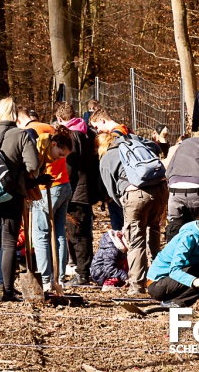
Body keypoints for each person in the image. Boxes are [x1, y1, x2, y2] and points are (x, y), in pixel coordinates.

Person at [0, 97, 40, 301]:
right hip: (11, 193)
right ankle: (6, 290)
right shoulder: (20, 135)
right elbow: (32, 166)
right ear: (15, 115)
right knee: (9, 242)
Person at [96, 132, 168, 295]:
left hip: (136, 195)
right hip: (161, 189)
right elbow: (157, 148)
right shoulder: (135, 143)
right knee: (153, 230)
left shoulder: (107, 157)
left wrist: (125, 201)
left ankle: (137, 286)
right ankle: (158, 277)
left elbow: (112, 192)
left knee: (136, 240)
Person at [54, 101, 101, 287]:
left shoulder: (71, 136)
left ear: (59, 119)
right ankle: (82, 271)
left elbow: (70, 166)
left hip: (76, 192)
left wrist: (64, 187)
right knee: (83, 232)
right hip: (87, 189)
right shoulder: (87, 131)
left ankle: (82, 273)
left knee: (77, 233)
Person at [30, 126, 73, 291]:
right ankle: (58, 277)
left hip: (52, 188)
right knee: (59, 232)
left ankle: (48, 279)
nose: (59, 159)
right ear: (54, 144)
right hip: (61, 186)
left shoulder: (43, 138)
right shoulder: (40, 141)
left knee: (41, 233)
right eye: (60, 155)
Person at [88, 108, 130, 231]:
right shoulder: (127, 131)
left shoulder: (115, 137)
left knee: (119, 226)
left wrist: (110, 193)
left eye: (97, 127)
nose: (98, 131)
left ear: (102, 120)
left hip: (118, 190)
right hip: (126, 187)